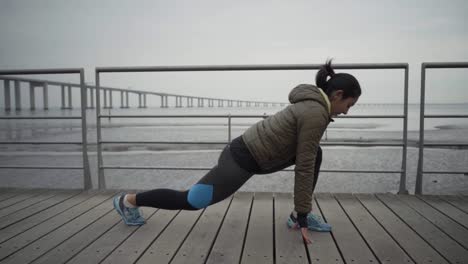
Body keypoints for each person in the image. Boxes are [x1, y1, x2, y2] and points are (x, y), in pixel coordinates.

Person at [113, 59, 361, 244]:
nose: (347, 111)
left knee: (315, 153)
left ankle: (296, 214)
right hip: (240, 160)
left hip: (250, 154)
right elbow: (304, 167)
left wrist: (302, 212)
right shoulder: (315, 112)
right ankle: (129, 201)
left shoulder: (312, 105)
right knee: (192, 200)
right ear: (338, 95)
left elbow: (306, 157)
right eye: (348, 105)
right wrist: (306, 216)